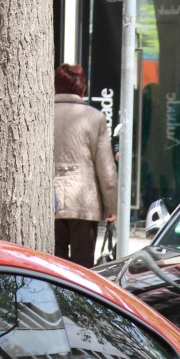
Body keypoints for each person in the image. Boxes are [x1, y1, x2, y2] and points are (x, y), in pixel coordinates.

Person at [53, 63, 118, 267]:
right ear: (83, 88)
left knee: (53, 267)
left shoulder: (41, 114)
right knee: (82, 269)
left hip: (49, 200)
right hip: (84, 202)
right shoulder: (94, 118)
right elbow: (106, 168)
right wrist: (112, 206)